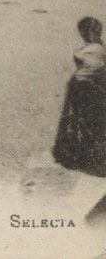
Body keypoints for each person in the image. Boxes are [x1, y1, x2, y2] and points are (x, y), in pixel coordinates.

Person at [52, 17, 106, 177]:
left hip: (79, 85)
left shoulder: (81, 51)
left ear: (83, 33)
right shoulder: (102, 49)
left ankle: (77, 151)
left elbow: (82, 65)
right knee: (96, 118)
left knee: (77, 117)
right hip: (97, 85)